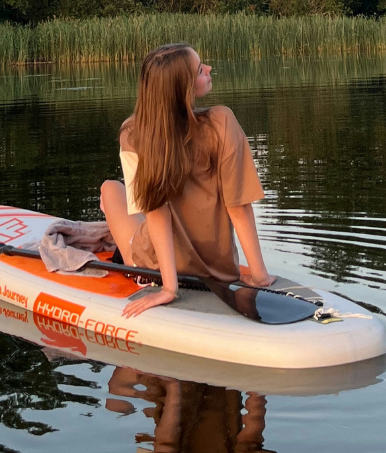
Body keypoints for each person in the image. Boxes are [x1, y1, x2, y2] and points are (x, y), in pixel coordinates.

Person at [100, 43, 276, 318]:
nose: (208, 69)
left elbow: (156, 211)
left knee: (110, 190)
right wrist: (259, 277)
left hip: (156, 267)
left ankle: (115, 240)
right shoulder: (222, 121)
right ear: (181, 88)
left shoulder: (133, 133)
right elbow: (238, 206)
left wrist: (168, 289)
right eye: (199, 70)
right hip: (219, 270)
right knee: (117, 192)